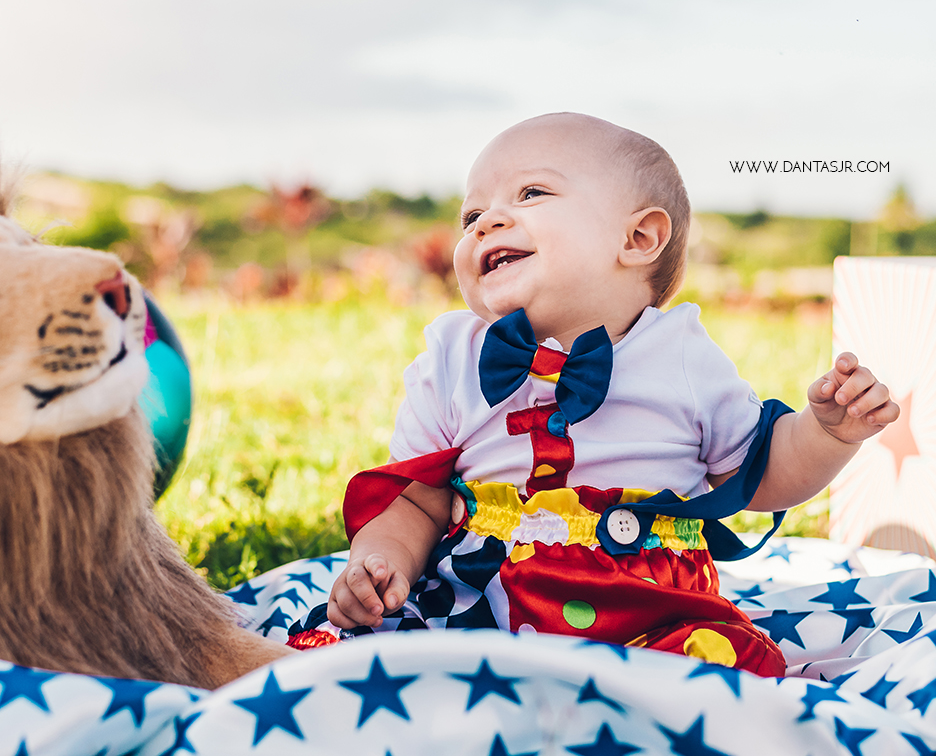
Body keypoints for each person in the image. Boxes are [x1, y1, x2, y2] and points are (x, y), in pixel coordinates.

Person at [307, 113, 899, 676]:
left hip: (648, 609)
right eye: (472, 216)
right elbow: (415, 502)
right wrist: (380, 565)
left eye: (531, 194)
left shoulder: (680, 353)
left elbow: (759, 475)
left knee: (726, 663)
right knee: (366, 655)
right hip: (482, 604)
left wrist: (826, 433)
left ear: (639, 238)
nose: (487, 221)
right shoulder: (451, 356)